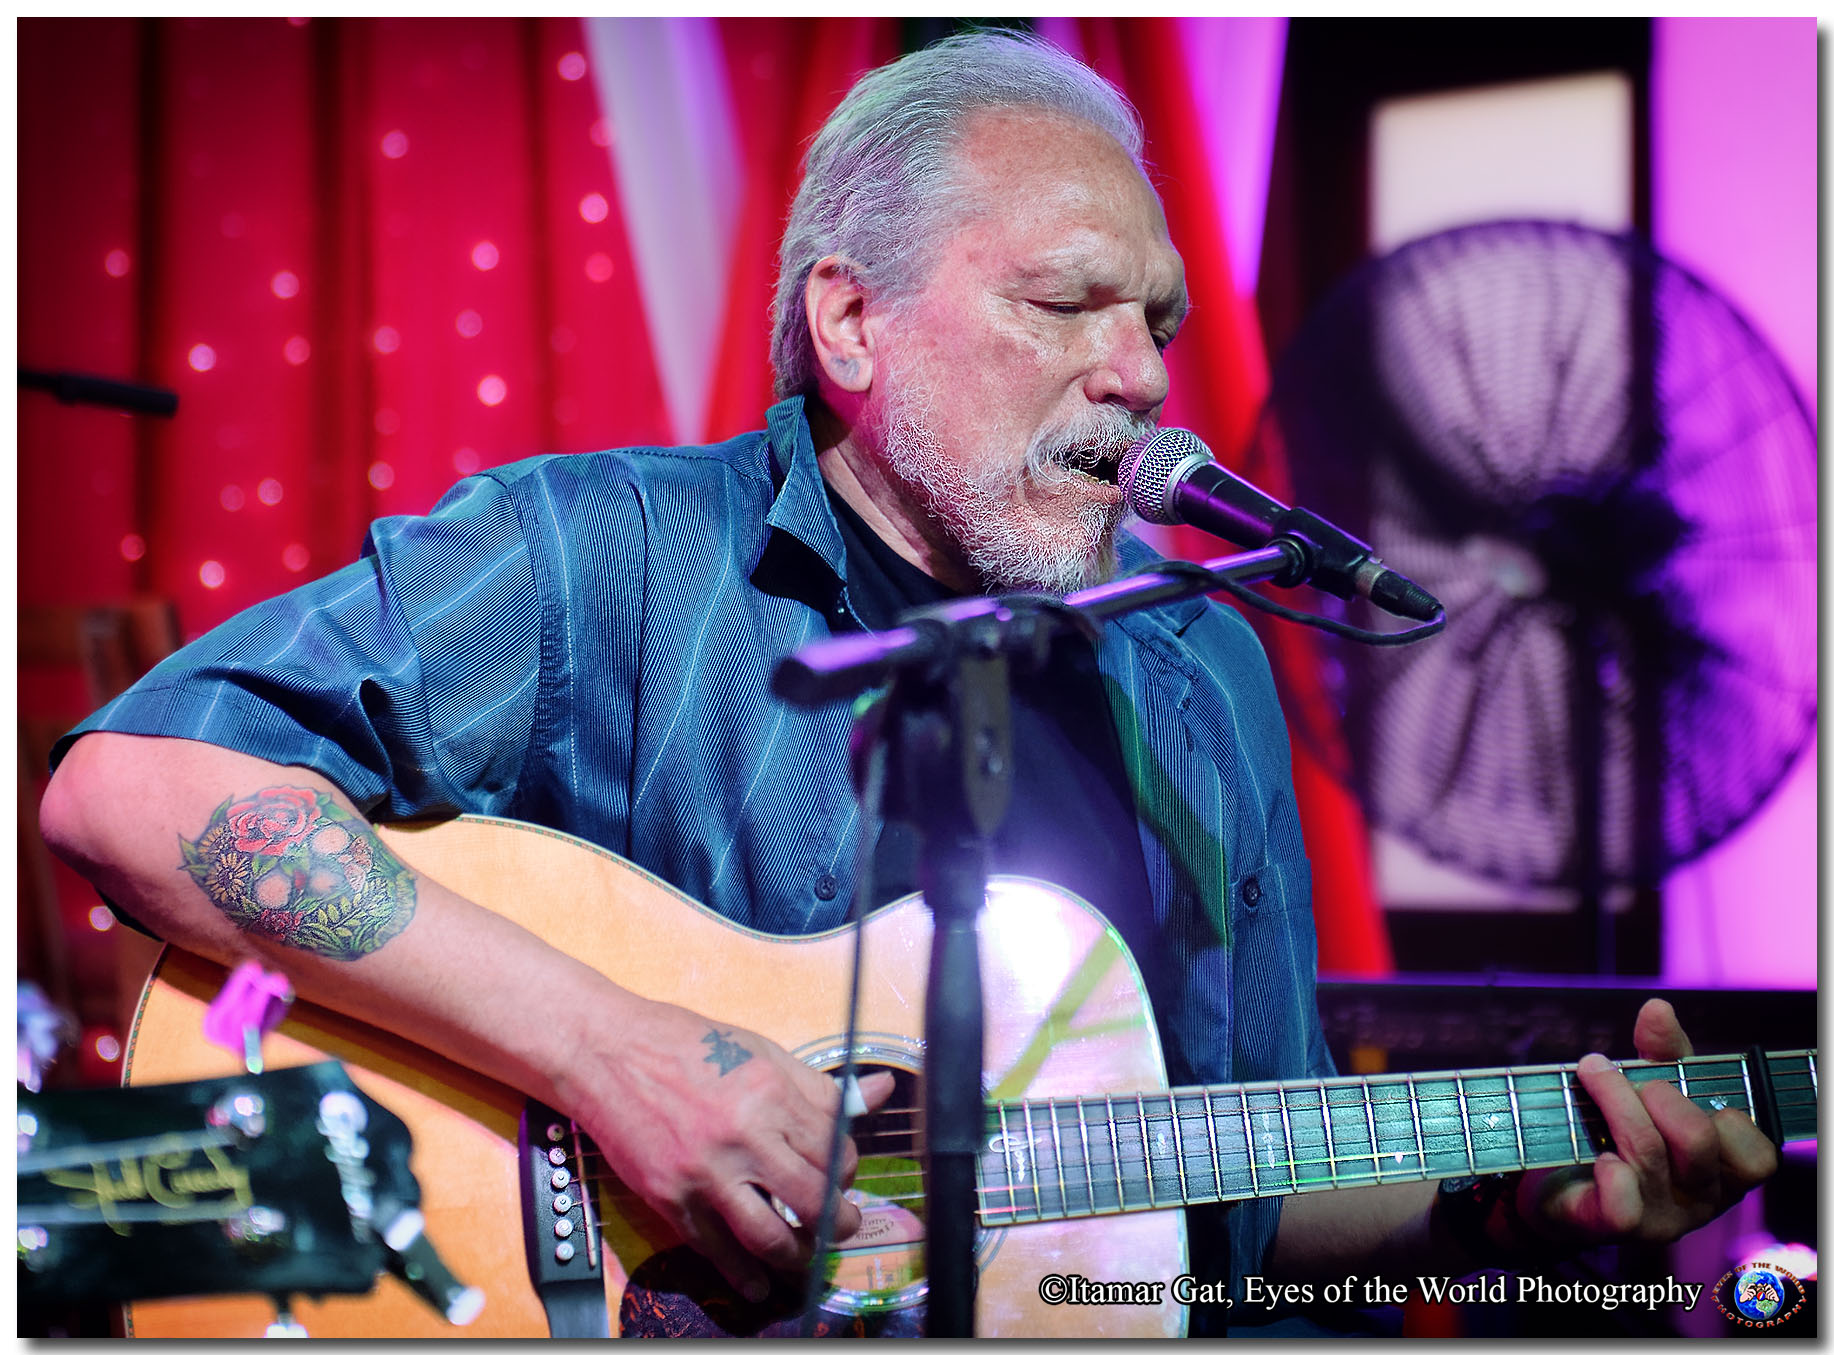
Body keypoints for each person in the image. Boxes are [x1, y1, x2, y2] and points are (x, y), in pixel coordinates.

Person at [40, 30, 1776, 1335]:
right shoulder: (602, 555)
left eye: (1158, 323)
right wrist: (610, 1052)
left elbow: (1229, 1204)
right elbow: (132, 789)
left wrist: (1504, 1212)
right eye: (1064, 304)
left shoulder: (1204, 674)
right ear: (852, 324)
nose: (1135, 373)